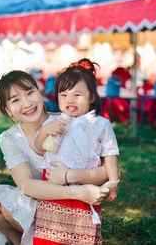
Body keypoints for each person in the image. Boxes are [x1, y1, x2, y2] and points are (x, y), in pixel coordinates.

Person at [0, 70, 110, 245]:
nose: (26, 103)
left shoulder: (67, 122)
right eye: (15, 100)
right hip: (41, 197)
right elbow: (26, 185)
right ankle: (20, 241)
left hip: (70, 204)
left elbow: (105, 170)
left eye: (30, 92)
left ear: (40, 92)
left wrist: (72, 181)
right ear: (8, 110)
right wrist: (77, 192)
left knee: (8, 208)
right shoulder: (10, 137)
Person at [33, 58, 120, 244]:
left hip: (84, 186)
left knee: (82, 236)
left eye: (77, 95)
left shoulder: (100, 124)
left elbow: (110, 153)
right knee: (50, 236)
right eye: (63, 95)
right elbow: (40, 148)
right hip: (53, 186)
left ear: (92, 97)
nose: (69, 100)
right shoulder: (54, 121)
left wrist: (113, 181)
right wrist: (43, 133)